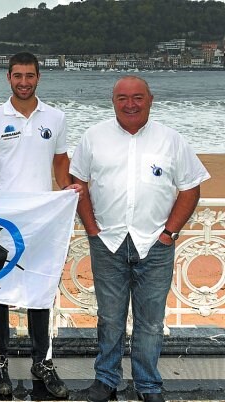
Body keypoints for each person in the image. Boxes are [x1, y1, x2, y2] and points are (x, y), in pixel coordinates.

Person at [70, 76, 210, 402]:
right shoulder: (93, 138)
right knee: (109, 318)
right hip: (108, 242)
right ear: (113, 100)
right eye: (122, 98)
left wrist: (169, 233)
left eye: (137, 97)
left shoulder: (171, 140)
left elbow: (191, 188)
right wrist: (92, 230)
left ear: (150, 99)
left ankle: (148, 385)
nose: (130, 104)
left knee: (150, 322)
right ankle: (106, 381)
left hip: (155, 245)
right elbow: (79, 184)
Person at [0, 52, 82, 398]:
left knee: (41, 291)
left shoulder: (56, 117)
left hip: (43, 221)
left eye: (30, 76)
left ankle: (43, 360)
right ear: (8, 77)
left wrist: (68, 193)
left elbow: (60, 164)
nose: (24, 82)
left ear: (39, 78)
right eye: (18, 76)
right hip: (3, 219)